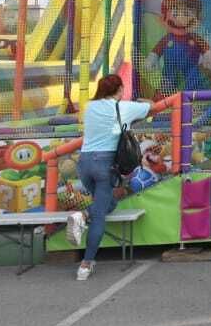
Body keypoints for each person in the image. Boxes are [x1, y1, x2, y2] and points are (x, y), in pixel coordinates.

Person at [68, 74, 172, 281]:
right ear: (119, 90)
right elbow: (152, 107)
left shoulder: (90, 108)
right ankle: (85, 264)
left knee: (109, 203)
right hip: (103, 165)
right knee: (99, 215)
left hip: (84, 163)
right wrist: (142, 103)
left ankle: (85, 215)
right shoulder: (121, 107)